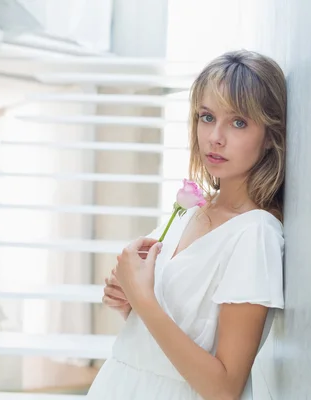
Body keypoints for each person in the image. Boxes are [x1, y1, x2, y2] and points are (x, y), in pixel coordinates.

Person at [87, 49, 287, 400]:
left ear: (270, 135)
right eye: (207, 117)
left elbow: (224, 389)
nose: (215, 137)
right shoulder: (193, 209)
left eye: (238, 122)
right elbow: (171, 334)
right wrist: (128, 303)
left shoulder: (255, 234)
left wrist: (144, 300)